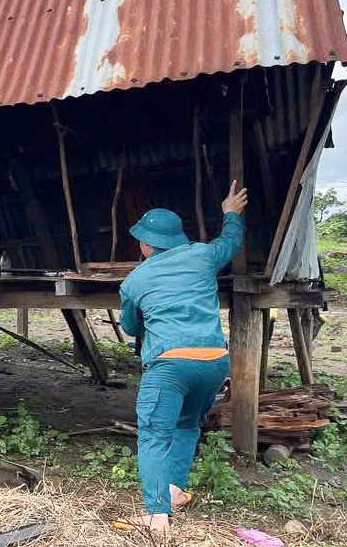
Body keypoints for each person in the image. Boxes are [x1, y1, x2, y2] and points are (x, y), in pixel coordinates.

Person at [113, 181, 248, 536]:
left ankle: (157, 517)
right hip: (215, 361)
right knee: (187, 425)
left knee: (155, 434)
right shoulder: (202, 255)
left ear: (144, 244)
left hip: (170, 364)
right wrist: (230, 214)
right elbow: (231, 242)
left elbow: (129, 327)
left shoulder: (134, 280)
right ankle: (172, 492)